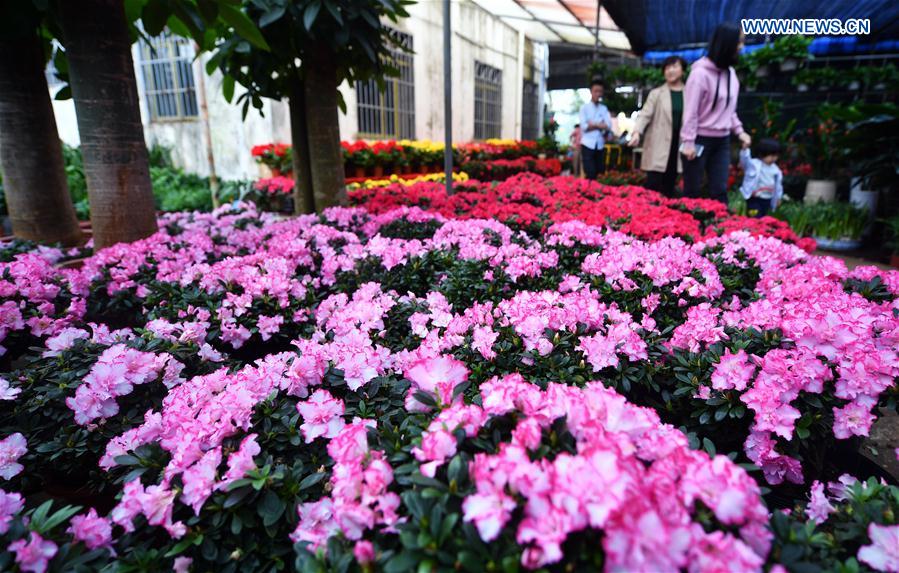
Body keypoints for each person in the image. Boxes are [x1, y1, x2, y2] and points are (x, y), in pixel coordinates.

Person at [680, 22, 752, 203]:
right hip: (698, 139)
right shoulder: (699, 75)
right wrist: (688, 141)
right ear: (727, 44)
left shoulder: (732, 75)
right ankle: (687, 229)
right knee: (692, 189)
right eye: (739, 42)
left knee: (719, 190)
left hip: (722, 140)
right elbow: (691, 111)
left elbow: (729, 109)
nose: (742, 47)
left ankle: (719, 229)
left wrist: (740, 131)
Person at [628, 56, 687, 197]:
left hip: (678, 146)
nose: (670, 71)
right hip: (658, 145)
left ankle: (665, 216)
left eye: (674, 67)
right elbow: (645, 115)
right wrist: (637, 132)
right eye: (667, 68)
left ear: (683, 70)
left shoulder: (690, 93)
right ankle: (648, 215)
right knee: (653, 184)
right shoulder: (657, 94)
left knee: (670, 186)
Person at [739, 138, 783, 217]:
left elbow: (778, 185)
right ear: (762, 153)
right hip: (754, 198)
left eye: (776, 156)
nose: (774, 158)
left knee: (763, 218)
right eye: (772, 155)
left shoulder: (776, 170)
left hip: (767, 199)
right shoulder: (754, 164)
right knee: (754, 217)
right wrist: (745, 150)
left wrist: (778, 197)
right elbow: (744, 161)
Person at [579, 79, 613, 180]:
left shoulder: (604, 108)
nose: (598, 94)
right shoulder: (584, 108)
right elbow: (584, 127)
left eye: (600, 91)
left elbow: (608, 126)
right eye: (596, 91)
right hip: (587, 144)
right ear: (591, 91)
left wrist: (593, 124)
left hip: (600, 145)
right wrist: (600, 125)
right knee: (590, 173)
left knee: (600, 172)